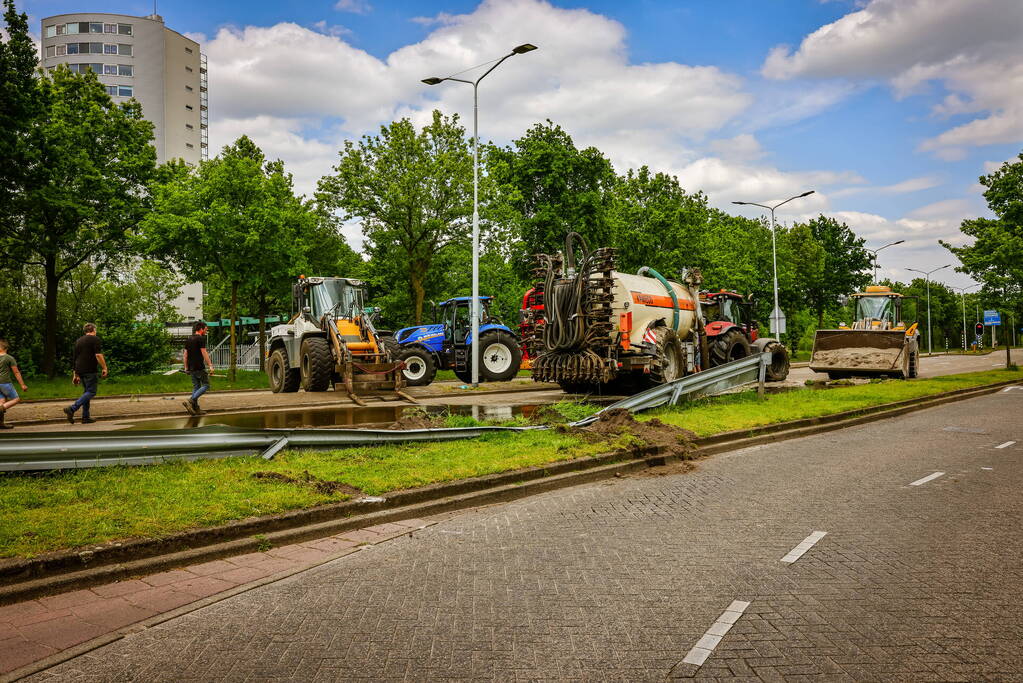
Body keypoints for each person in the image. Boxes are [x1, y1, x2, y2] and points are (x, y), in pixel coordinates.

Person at [63, 323, 107, 425]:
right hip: (90, 369)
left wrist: (75, 374)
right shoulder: (95, 339)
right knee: (91, 392)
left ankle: (85, 417)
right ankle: (72, 408)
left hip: (80, 370)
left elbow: (75, 358)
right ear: (94, 330)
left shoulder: (79, 341)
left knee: (86, 392)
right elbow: (98, 355)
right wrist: (104, 367)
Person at [182, 320, 214, 415]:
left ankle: (195, 408)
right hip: (199, 367)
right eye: (205, 329)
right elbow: (204, 353)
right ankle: (191, 400)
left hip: (191, 368)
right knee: (206, 385)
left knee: (196, 387)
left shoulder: (189, 339)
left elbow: (185, 355)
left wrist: (186, 368)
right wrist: (210, 366)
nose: (206, 331)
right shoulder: (200, 339)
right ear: (201, 329)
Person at [0, 339, 28, 430]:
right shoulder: (9, 358)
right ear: (6, 348)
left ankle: (1, 423)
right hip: (5, 382)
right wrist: (22, 385)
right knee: (16, 399)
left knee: (1, 402)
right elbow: (16, 372)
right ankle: (0, 409)